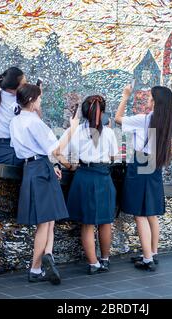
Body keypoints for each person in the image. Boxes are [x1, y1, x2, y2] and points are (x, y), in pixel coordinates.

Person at [10, 83, 78, 284]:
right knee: (45, 221)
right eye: (39, 99)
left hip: (32, 167)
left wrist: (50, 165)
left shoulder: (15, 121)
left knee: (48, 219)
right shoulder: (34, 122)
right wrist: (71, 130)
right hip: (40, 169)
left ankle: (48, 256)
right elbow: (56, 150)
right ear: (31, 101)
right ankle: (36, 268)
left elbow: (25, 149)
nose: (41, 102)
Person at [115, 85, 172, 271]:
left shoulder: (143, 120)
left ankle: (147, 258)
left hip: (141, 163)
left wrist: (125, 96)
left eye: (150, 97)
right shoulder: (166, 121)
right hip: (154, 165)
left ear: (155, 101)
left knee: (139, 214)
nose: (147, 99)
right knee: (151, 214)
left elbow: (117, 119)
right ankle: (153, 252)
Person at [62, 95, 119, 275]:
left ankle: (93, 264)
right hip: (103, 176)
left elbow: (61, 154)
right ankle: (105, 259)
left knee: (87, 224)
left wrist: (71, 166)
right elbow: (114, 158)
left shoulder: (76, 131)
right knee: (105, 222)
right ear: (101, 113)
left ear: (85, 112)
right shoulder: (109, 133)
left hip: (83, 176)